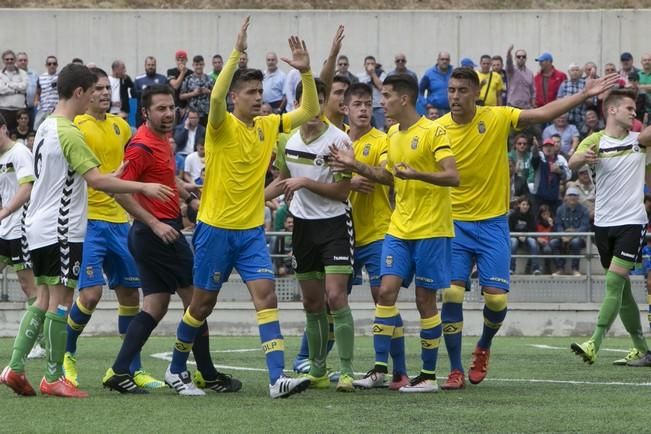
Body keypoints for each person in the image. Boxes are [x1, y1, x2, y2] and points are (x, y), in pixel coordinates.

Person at [435, 66, 618, 390]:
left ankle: (484, 345)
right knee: (451, 293)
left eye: (462, 91)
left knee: (496, 302)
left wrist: (584, 94)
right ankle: (455, 369)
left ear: (476, 93)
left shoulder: (497, 116)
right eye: (451, 90)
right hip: (455, 225)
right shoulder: (436, 129)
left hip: (492, 224)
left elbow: (543, 112)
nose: (455, 97)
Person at [165, 17, 319, 399]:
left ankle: (275, 379)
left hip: (251, 231)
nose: (257, 97)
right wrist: (236, 54)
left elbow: (308, 112)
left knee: (266, 296)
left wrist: (306, 72)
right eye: (249, 92)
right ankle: (174, 369)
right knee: (202, 305)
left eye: (258, 91)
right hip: (215, 229)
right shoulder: (220, 125)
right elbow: (214, 99)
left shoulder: (268, 125)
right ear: (236, 97)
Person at [0, 63, 173, 398]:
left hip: (38, 225)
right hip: (62, 229)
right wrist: (145, 187)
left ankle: (15, 367)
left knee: (43, 300)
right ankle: (53, 377)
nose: (97, 96)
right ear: (79, 92)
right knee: (61, 303)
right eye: (93, 91)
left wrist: (116, 173)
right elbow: (95, 182)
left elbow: (78, 173)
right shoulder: (70, 131)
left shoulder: (46, 125)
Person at [101, 84, 240, 396]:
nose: (167, 114)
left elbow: (158, 176)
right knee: (198, 303)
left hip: (153, 234)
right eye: (160, 109)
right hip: (156, 234)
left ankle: (119, 370)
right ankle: (205, 374)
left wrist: (180, 186)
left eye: (170, 107)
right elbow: (116, 189)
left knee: (155, 305)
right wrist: (153, 223)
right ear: (145, 113)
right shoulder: (140, 146)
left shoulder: (163, 139)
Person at [331, 73, 459, 393]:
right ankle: (379, 370)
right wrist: (355, 164)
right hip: (399, 227)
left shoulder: (434, 130)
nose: (380, 102)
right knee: (385, 294)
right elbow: (386, 176)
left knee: (424, 300)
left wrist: (418, 174)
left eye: (385, 96)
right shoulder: (392, 133)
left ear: (404, 99)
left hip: (431, 229)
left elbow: (452, 176)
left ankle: (428, 376)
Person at [61, 67, 163, 391]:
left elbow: (135, 169)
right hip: (88, 222)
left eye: (109, 88)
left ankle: (129, 369)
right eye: (99, 88)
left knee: (131, 296)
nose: (105, 93)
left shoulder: (122, 127)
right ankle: (67, 357)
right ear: (86, 92)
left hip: (121, 223)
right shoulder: (76, 126)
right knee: (89, 295)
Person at [267, 78, 356, 392]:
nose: (316, 110)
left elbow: (343, 191)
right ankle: (318, 369)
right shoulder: (286, 141)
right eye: (309, 103)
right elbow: (282, 180)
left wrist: (304, 184)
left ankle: (346, 372)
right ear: (297, 106)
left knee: (335, 297)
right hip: (302, 227)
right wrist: (252, 201)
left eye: (320, 102)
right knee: (311, 302)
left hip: (334, 224)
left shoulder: (338, 141)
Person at [569, 88, 651, 366]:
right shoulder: (594, 140)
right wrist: (585, 158)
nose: (634, 112)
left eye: (636, 109)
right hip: (603, 225)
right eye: (629, 108)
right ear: (612, 110)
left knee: (614, 282)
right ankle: (642, 349)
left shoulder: (640, 140)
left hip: (632, 222)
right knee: (623, 291)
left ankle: (594, 342)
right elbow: (572, 162)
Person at [549, 187, 590, 276]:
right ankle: (560, 268)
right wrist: (563, 235)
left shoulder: (584, 210)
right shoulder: (560, 209)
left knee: (575, 242)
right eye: (570, 195)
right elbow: (558, 225)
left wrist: (571, 236)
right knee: (553, 243)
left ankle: (575, 269)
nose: (572, 197)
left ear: (578, 197)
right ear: (566, 197)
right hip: (563, 237)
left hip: (579, 238)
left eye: (574, 195)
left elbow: (584, 227)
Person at [530, 137, 571, 216]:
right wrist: (535, 147)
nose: (548, 148)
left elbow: (567, 176)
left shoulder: (560, 160)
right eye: (546, 146)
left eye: (550, 146)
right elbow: (535, 158)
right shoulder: (540, 159)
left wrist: (559, 171)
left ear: (554, 148)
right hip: (539, 196)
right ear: (542, 148)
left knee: (555, 221)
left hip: (554, 197)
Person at [509, 198, 541, 275]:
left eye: (527, 205)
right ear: (519, 205)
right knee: (513, 242)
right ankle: (511, 268)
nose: (525, 206)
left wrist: (525, 236)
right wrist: (518, 235)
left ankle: (535, 269)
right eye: (523, 204)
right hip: (515, 237)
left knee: (533, 242)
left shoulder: (531, 216)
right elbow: (509, 229)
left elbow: (533, 230)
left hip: (527, 237)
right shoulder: (513, 215)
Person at [179, 55, 214, 126]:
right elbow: (181, 96)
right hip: (192, 115)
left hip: (206, 114)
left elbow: (216, 95)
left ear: (204, 65)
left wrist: (208, 91)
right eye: (196, 65)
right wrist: (193, 93)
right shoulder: (188, 79)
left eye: (201, 64)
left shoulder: (209, 79)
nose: (198, 67)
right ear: (193, 65)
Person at [134, 56, 167, 126]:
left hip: (159, 114)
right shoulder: (138, 80)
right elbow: (135, 95)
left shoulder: (162, 79)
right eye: (149, 65)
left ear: (155, 66)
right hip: (142, 115)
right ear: (145, 66)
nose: (150, 67)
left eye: (153, 65)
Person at [0, 50, 28, 132]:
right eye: (7, 59)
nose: (9, 61)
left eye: (11, 59)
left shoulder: (23, 73)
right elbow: (1, 89)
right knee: (4, 133)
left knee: (18, 134)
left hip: (19, 110)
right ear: (3, 60)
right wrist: (17, 90)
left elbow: (24, 86)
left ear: (15, 60)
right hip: (4, 110)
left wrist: (8, 84)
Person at [357, 56, 387, 130]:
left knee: (380, 129)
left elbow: (381, 87)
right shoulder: (359, 77)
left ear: (375, 65)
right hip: (365, 107)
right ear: (364, 65)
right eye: (368, 64)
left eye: (372, 64)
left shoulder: (381, 75)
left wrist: (373, 74)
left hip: (378, 107)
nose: (370, 65)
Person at [33, 56, 59, 131]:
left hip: (56, 110)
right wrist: (36, 101)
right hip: (43, 109)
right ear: (46, 65)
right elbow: (38, 92)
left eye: (54, 63)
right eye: (49, 64)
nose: (52, 66)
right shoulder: (41, 77)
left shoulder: (60, 77)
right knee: (38, 129)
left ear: (57, 65)